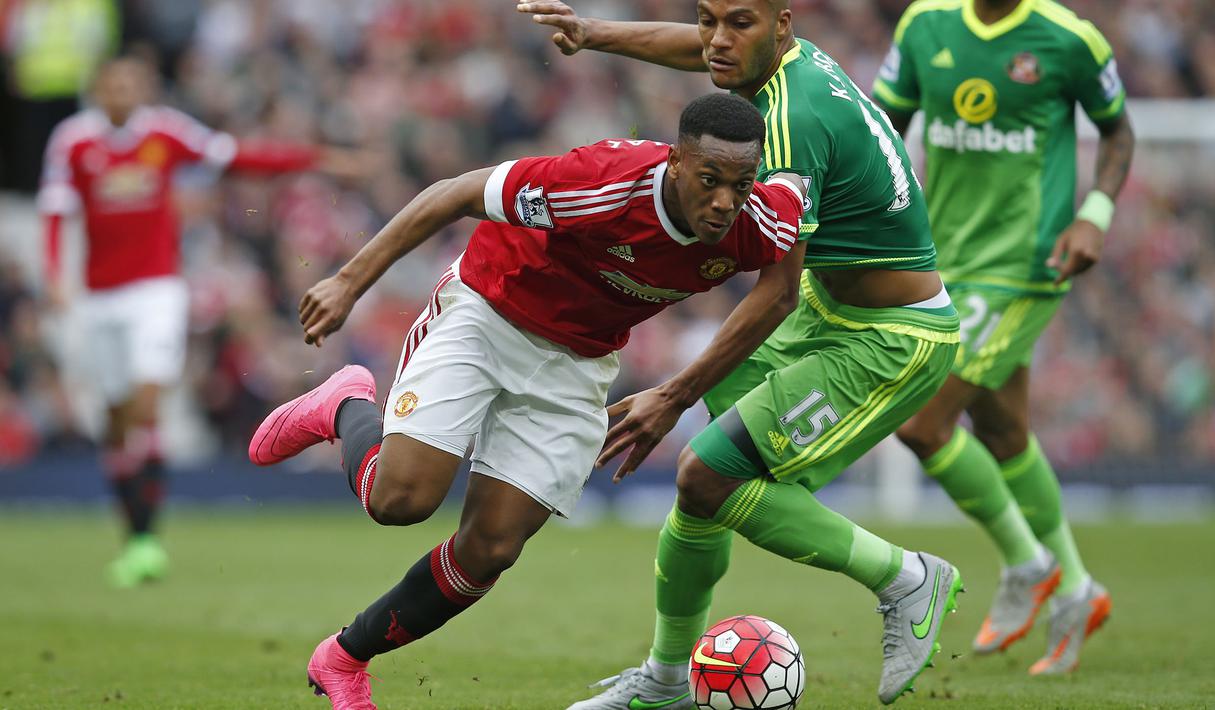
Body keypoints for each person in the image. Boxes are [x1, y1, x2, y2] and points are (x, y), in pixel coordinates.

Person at [247, 93, 808, 710]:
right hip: (488, 311)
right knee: (400, 501)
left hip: (578, 363)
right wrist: (349, 281)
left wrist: (677, 395)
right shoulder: (601, 183)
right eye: (710, 180)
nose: (726, 201)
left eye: (741, 183)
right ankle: (346, 402)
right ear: (675, 163)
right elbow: (456, 192)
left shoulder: (762, 215)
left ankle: (345, 657)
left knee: (490, 550)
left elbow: (780, 293)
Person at [520, 0, 963, 705]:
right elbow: (706, 51)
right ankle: (665, 682)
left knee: (705, 475)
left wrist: (673, 394)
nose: (717, 41)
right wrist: (595, 32)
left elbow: (775, 293)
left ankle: (905, 577)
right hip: (831, 310)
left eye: (738, 22)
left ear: (781, 23)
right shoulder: (776, 64)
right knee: (705, 489)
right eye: (707, 19)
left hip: (888, 338)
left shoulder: (788, 125)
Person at [872, 0, 1134, 674]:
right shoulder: (922, 26)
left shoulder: (1068, 39)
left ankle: (1026, 562)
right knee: (1004, 432)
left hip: (1026, 264)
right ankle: (1075, 589)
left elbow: (1117, 132)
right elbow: (876, 130)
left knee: (922, 424)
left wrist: (1094, 215)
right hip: (944, 259)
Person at [37, 56, 349, 588]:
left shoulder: (165, 132)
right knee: (115, 421)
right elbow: (55, 211)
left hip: (155, 288)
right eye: (113, 84)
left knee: (147, 401)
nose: (122, 92)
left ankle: (146, 539)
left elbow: (238, 158)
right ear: (97, 90)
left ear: (143, 88)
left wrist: (315, 158)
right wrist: (54, 276)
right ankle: (135, 535)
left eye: (131, 83)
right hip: (98, 297)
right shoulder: (72, 141)